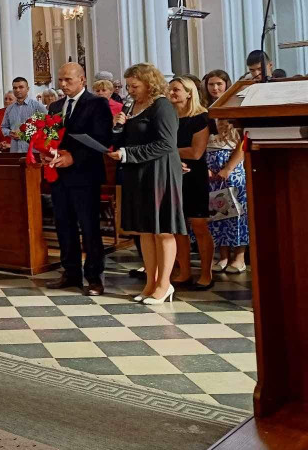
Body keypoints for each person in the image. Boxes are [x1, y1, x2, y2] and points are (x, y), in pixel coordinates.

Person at [108, 63, 185, 304]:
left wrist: (127, 155)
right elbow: (127, 139)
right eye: (128, 85)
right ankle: (150, 283)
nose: (130, 90)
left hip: (159, 172)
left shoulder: (162, 105)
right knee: (145, 231)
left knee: (162, 230)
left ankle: (165, 285)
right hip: (138, 173)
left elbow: (166, 144)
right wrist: (119, 126)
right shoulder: (133, 105)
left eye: (135, 86)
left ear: (149, 83)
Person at [44, 63, 113, 296]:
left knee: (90, 227)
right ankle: (70, 272)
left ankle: (94, 277)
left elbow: (101, 139)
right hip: (59, 176)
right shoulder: (54, 106)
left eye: (68, 80)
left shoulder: (97, 104)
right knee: (63, 225)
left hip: (85, 175)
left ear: (82, 80)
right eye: (60, 80)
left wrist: (73, 157)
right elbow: (51, 137)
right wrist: (47, 152)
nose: (63, 85)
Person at [168, 76, 215, 289]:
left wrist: (167, 152)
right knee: (178, 227)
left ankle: (206, 273)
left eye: (176, 90)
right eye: (170, 90)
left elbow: (196, 152)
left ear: (189, 93)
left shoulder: (201, 117)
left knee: (198, 224)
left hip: (194, 175)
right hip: (172, 173)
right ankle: (184, 271)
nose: (172, 94)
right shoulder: (168, 117)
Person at [206, 117, 249, 274]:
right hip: (211, 168)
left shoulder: (234, 112)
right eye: (212, 88)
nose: (215, 89)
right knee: (218, 213)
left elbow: (244, 141)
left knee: (237, 213)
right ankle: (223, 256)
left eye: (219, 88)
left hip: (232, 166)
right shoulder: (205, 110)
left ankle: (239, 257)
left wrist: (229, 168)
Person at [3, 77, 47, 152]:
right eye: (15, 88)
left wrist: (26, 134)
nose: (17, 90)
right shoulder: (9, 109)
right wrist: (10, 133)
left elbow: (46, 127)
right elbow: (4, 127)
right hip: (15, 149)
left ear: (27, 89)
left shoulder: (37, 106)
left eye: (21, 87)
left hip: (33, 149)